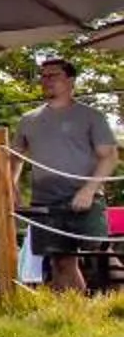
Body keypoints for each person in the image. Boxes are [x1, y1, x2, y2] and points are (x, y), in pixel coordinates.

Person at [15, 56, 116, 293]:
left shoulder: (91, 116)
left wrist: (88, 190)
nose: (47, 80)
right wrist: (12, 189)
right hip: (45, 202)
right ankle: (72, 309)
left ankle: (111, 306)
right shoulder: (28, 120)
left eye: (54, 75)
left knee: (99, 256)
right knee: (60, 262)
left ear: (70, 80)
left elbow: (109, 157)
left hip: (85, 199)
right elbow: (14, 158)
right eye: (43, 76)